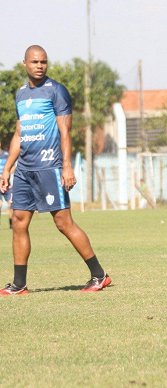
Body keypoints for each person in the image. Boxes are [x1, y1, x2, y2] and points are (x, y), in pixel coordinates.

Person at [0, 45, 111, 295]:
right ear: (25, 64)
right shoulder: (20, 94)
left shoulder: (56, 91)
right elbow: (19, 133)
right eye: (35, 62)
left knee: (63, 223)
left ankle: (99, 275)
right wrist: (7, 168)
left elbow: (65, 131)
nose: (40, 66)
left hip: (49, 166)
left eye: (44, 62)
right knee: (18, 222)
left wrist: (67, 166)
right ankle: (19, 284)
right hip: (25, 170)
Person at [0, 146, 13, 228]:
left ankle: (11, 224)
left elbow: (14, 166)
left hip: (7, 184)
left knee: (11, 205)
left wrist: (6, 174)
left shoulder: (6, 155)